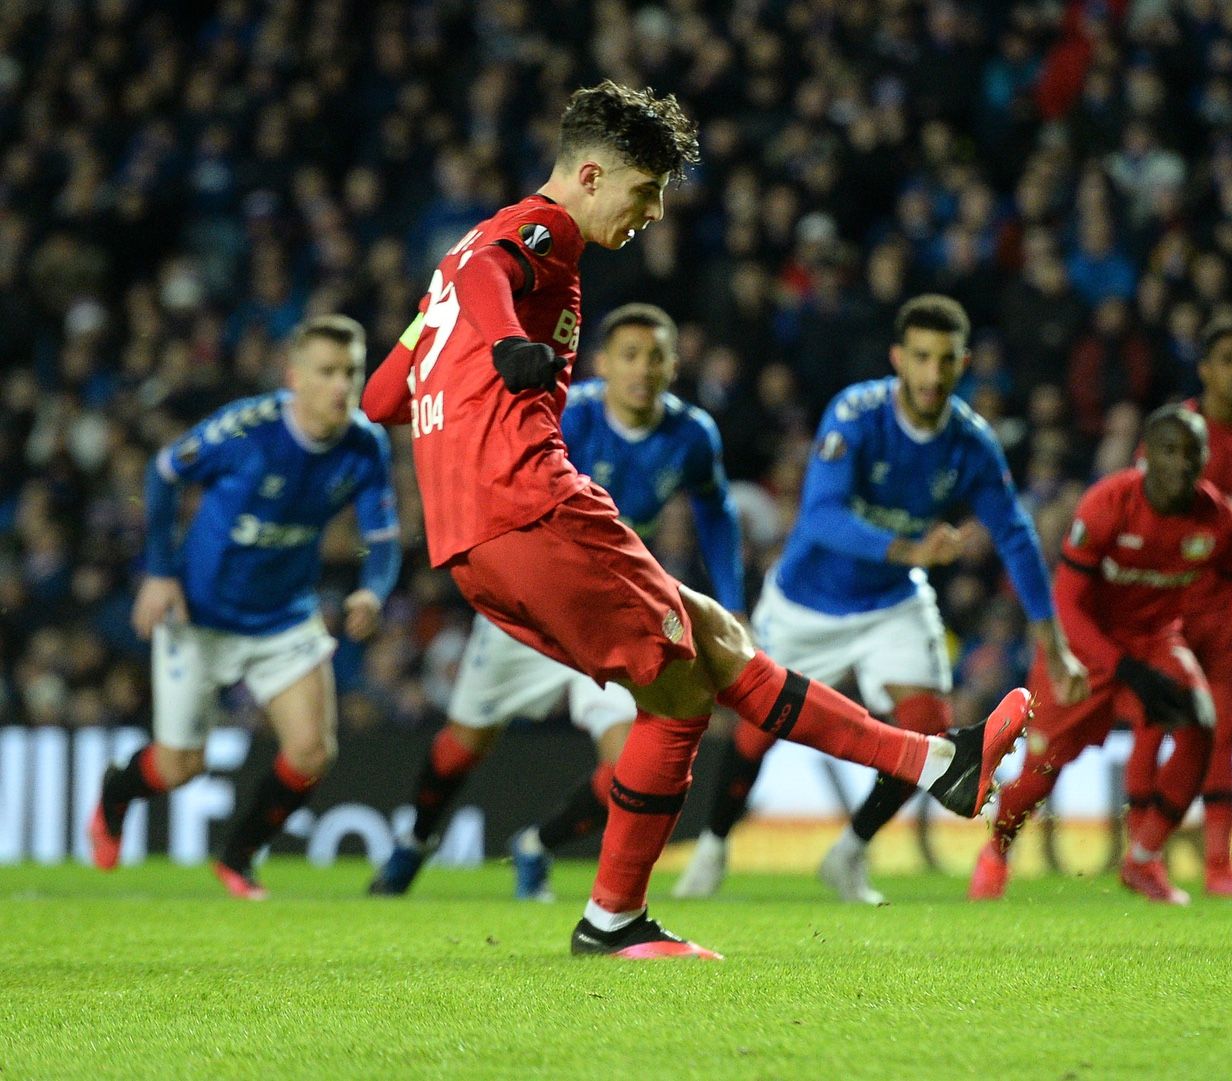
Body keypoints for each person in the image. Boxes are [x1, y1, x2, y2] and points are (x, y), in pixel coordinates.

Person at [358, 82, 1028, 961]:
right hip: (530, 503)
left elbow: (379, 397)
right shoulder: (540, 232)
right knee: (678, 695)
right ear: (591, 173)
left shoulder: (450, 269)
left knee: (714, 635)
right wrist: (501, 348)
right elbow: (491, 281)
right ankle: (614, 920)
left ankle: (937, 762)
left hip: (472, 539)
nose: (652, 213)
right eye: (645, 192)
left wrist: (452, 356)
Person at [673, 294, 1088, 905]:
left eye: (945, 360)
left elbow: (1015, 534)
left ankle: (849, 853)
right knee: (758, 733)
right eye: (920, 357)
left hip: (893, 603)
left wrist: (1051, 642)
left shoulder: (971, 442)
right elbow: (819, 518)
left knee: (930, 731)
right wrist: (910, 549)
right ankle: (712, 847)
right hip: (807, 602)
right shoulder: (857, 414)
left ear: (963, 363)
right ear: (898, 358)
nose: (932, 374)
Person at [367, 303, 746, 902]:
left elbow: (715, 510)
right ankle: (414, 841)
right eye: (629, 356)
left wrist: (733, 599)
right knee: (466, 740)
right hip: (534, 603)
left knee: (632, 760)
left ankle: (537, 846)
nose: (643, 370)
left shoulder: (693, 434)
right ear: (602, 364)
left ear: (675, 364)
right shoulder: (565, 410)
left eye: (656, 356)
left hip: (610, 611)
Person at [88, 316, 399, 900]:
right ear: (294, 378)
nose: (342, 386)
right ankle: (117, 791)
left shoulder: (365, 444)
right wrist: (158, 572)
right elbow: (162, 475)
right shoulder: (246, 431)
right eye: (328, 372)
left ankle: (239, 855)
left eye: (351, 372)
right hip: (201, 617)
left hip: (284, 615)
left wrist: (370, 591)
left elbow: (381, 539)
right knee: (181, 767)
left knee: (311, 751)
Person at [969, 405, 1232, 904]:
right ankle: (997, 850)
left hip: (1155, 641)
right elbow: (1067, 602)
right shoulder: (1108, 504)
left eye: (1192, 454)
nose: (1181, 464)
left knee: (1201, 723)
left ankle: (1144, 860)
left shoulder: (1222, 522)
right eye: (1169, 451)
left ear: (1205, 460)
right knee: (1041, 773)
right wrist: (1122, 666)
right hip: (1083, 647)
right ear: (1147, 456)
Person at [1119, 315, 1232, 901]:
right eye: (1228, 359)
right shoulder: (1174, 438)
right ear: (1203, 369)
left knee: (1220, 733)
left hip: (1222, 614)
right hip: (1164, 611)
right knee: (1153, 728)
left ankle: (1219, 867)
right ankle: (1141, 855)